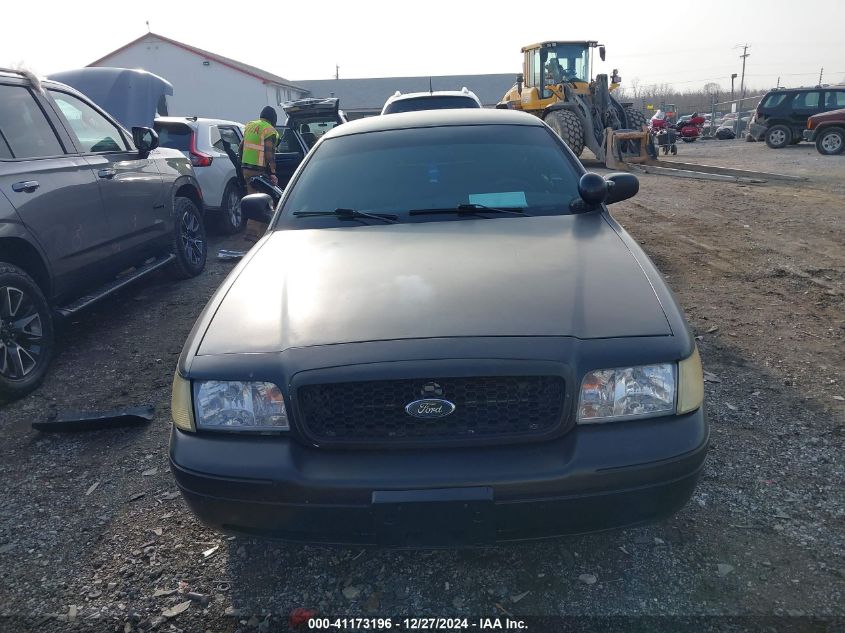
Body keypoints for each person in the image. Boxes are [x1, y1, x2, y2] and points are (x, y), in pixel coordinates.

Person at [240, 106, 280, 244]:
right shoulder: (269, 130)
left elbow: (241, 147)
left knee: (253, 201)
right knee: (263, 204)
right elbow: (270, 153)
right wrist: (273, 173)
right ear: (273, 119)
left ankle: (251, 235)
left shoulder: (250, 126)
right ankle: (258, 237)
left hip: (246, 169)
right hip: (259, 172)